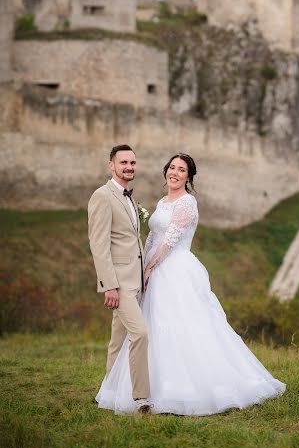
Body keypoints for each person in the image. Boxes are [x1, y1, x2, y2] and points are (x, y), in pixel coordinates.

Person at [96, 153, 286, 415]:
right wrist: (142, 269)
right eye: (171, 168)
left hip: (175, 270)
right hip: (152, 271)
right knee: (152, 328)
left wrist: (150, 267)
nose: (174, 172)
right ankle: (151, 388)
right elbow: (151, 237)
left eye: (181, 170)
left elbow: (170, 241)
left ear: (189, 176)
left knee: (186, 328)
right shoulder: (163, 202)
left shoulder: (187, 203)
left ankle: (192, 390)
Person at [88, 144, 151, 414]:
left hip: (135, 280)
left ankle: (108, 394)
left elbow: (131, 241)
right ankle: (141, 398)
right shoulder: (102, 196)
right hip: (120, 284)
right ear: (111, 165)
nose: (129, 167)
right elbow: (98, 245)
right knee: (140, 334)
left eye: (133, 163)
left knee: (117, 340)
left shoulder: (129, 198)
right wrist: (109, 286)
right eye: (123, 162)